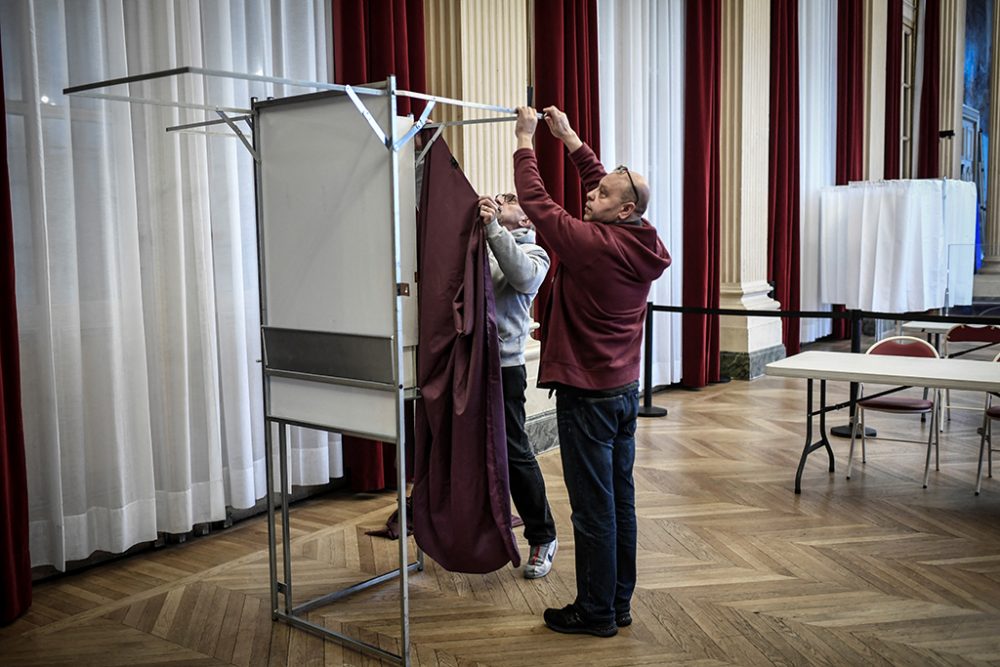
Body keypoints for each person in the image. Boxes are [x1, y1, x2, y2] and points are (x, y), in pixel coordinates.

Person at [511, 105, 671, 637]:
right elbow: (605, 191)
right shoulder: (640, 238)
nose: (590, 196)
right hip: (622, 392)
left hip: (589, 398)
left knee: (592, 511)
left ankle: (596, 611)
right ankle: (616, 604)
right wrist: (573, 140)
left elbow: (538, 204)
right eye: (595, 188)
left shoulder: (593, 246)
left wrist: (525, 140)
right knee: (618, 504)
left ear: (622, 211)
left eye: (602, 196)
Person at [476, 192, 558, 579]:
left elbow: (521, 275)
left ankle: (543, 535)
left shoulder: (536, 255)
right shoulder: (485, 244)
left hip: (505, 367)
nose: (503, 196)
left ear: (526, 222)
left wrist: (492, 227)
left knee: (513, 450)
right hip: (468, 364)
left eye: (512, 200)